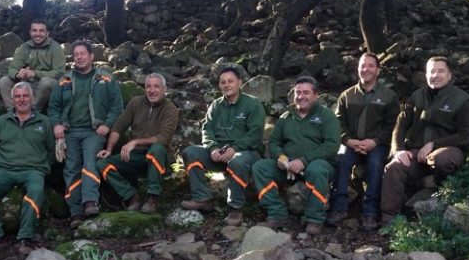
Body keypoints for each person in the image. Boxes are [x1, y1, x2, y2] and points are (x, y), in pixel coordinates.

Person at [380, 56, 469, 223]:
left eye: (441, 71)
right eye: (432, 71)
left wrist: (434, 145)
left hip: (450, 150)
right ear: (426, 75)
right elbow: (400, 126)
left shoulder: (462, 100)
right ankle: (389, 220)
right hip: (417, 152)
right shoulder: (416, 96)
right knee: (394, 167)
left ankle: (436, 187)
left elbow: (466, 136)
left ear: (449, 75)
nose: (435, 75)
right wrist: (398, 151)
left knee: (440, 159)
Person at [252, 76, 340, 235]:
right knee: (260, 167)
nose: (301, 96)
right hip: (288, 166)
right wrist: (281, 158)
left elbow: (332, 145)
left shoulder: (327, 116)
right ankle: (278, 214)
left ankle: (315, 219)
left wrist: (304, 161)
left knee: (317, 169)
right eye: (297, 92)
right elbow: (274, 143)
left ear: (315, 96)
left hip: (317, 164)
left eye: (306, 92)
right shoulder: (286, 117)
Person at [0, 82, 55, 259]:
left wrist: (44, 166)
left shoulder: (44, 121)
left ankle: (25, 239)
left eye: (25, 96)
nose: (21, 99)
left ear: (32, 98)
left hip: (33, 171)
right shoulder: (0, 122)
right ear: (12, 99)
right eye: (18, 96)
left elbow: (52, 150)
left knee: (36, 190)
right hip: (5, 170)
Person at [48, 40, 123, 226]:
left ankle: (90, 201)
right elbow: (53, 107)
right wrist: (56, 124)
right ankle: (75, 212)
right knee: (71, 169)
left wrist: (107, 124)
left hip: (94, 131)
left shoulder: (106, 79)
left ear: (91, 56)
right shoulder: (64, 80)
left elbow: (116, 105)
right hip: (70, 131)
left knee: (90, 162)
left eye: (83, 53)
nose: (79, 57)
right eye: (76, 55)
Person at [181, 66, 265, 226]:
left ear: (239, 83)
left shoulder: (253, 104)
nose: (226, 85)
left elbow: (255, 134)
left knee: (237, 161)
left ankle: (235, 209)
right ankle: (202, 198)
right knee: (190, 152)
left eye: (230, 81)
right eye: (223, 82)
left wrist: (235, 149)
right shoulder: (215, 105)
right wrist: (212, 148)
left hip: (247, 153)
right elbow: (207, 129)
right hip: (219, 153)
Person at [329, 53, 399, 231]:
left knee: (376, 164)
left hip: (377, 145)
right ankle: (339, 208)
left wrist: (375, 142)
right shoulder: (346, 95)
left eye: (370, 66)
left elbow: (392, 125)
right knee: (340, 160)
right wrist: (348, 141)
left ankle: (370, 212)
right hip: (350, 144)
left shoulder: (389, 96)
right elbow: (338, 123)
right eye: (362, 66)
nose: (365, 69)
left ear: (378, 70)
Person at [96, 73, 179, 213]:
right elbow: (118, 126)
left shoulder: (170, 109)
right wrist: (109, 149)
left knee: (157, 149)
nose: (152, 90)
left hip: (158, 156)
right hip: (136, 156)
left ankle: (152, 198)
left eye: (156, 86)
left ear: (164, 89)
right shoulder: (135, 102)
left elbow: (163, 137)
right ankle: (131, 196)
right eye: (148, 86)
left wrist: (134, 142)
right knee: (102, 164)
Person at [0, 18, 65, 111]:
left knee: (45, 82)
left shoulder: (56, 48)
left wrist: (34, 73)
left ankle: (32, 112)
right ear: (30, 32)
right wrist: (18, 74)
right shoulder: (24, 47)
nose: (37, 34)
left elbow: (60, 73)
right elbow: (12, 68)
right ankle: (13, 112)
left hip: (49, 86)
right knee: (4, 81)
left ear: (47, 33)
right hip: (28, 83)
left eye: (41, 31)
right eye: (34, 30)